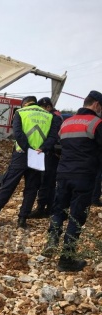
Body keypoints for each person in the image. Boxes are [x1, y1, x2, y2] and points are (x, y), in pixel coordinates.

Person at [42, 90, 102, 272]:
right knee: (77, 216)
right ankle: (66, 260)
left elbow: (59, 147)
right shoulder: (96, 123)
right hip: (84, 176)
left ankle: (52, 239)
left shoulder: (66, 123)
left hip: (63, 174)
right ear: (97, 105)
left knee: (59, 208)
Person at [0, 95, 58, 229]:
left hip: (21, 154)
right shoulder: (50, 116)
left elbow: (17, 133)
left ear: (25, 104)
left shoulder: (20, 112)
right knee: (32, 188)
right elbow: (52, 137)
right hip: (38, 155)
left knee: (9, 183)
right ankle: (22, 219)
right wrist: (42, 148)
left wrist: (27, 149)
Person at [28, 97, 63, 218]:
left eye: (43, 109)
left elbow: (53, 136)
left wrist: (43, 147)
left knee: (46, 181)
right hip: (48, 153)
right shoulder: (54, 116)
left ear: (48, 107)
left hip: (50, 154)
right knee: (49, 182)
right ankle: (48, 208)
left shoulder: (55, 118)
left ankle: (42, 208)